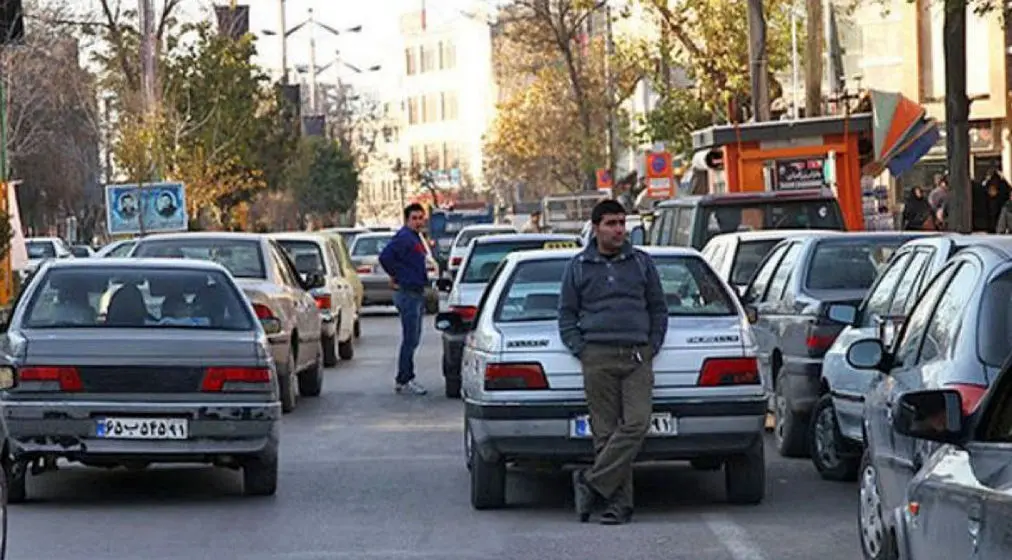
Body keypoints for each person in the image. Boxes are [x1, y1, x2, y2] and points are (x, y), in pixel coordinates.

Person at [559, 199, 668, 525]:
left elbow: (658, 308)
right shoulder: (579, 266)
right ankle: (618, 506)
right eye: (611, 223)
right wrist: (581, 349)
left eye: (622, 222)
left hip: (636, 356)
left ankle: (590, 481)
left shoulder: (642, 263)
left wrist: (652, 345)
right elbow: (566, 313)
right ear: (596, 228)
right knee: (604, 435)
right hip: (597, 356)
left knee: (637, 423)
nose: (619, 229)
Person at [378, 203, 430, 396]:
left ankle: (404, 377)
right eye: (414, 218)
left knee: (413, 338)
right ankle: (405, 378)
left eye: (420, 218)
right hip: (407, 293)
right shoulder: (404, 238)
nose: (418, 222)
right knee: (410, 338)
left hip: (415, 291)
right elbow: (385, 257)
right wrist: (396, 275)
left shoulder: (416, 238)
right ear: (407, 220)